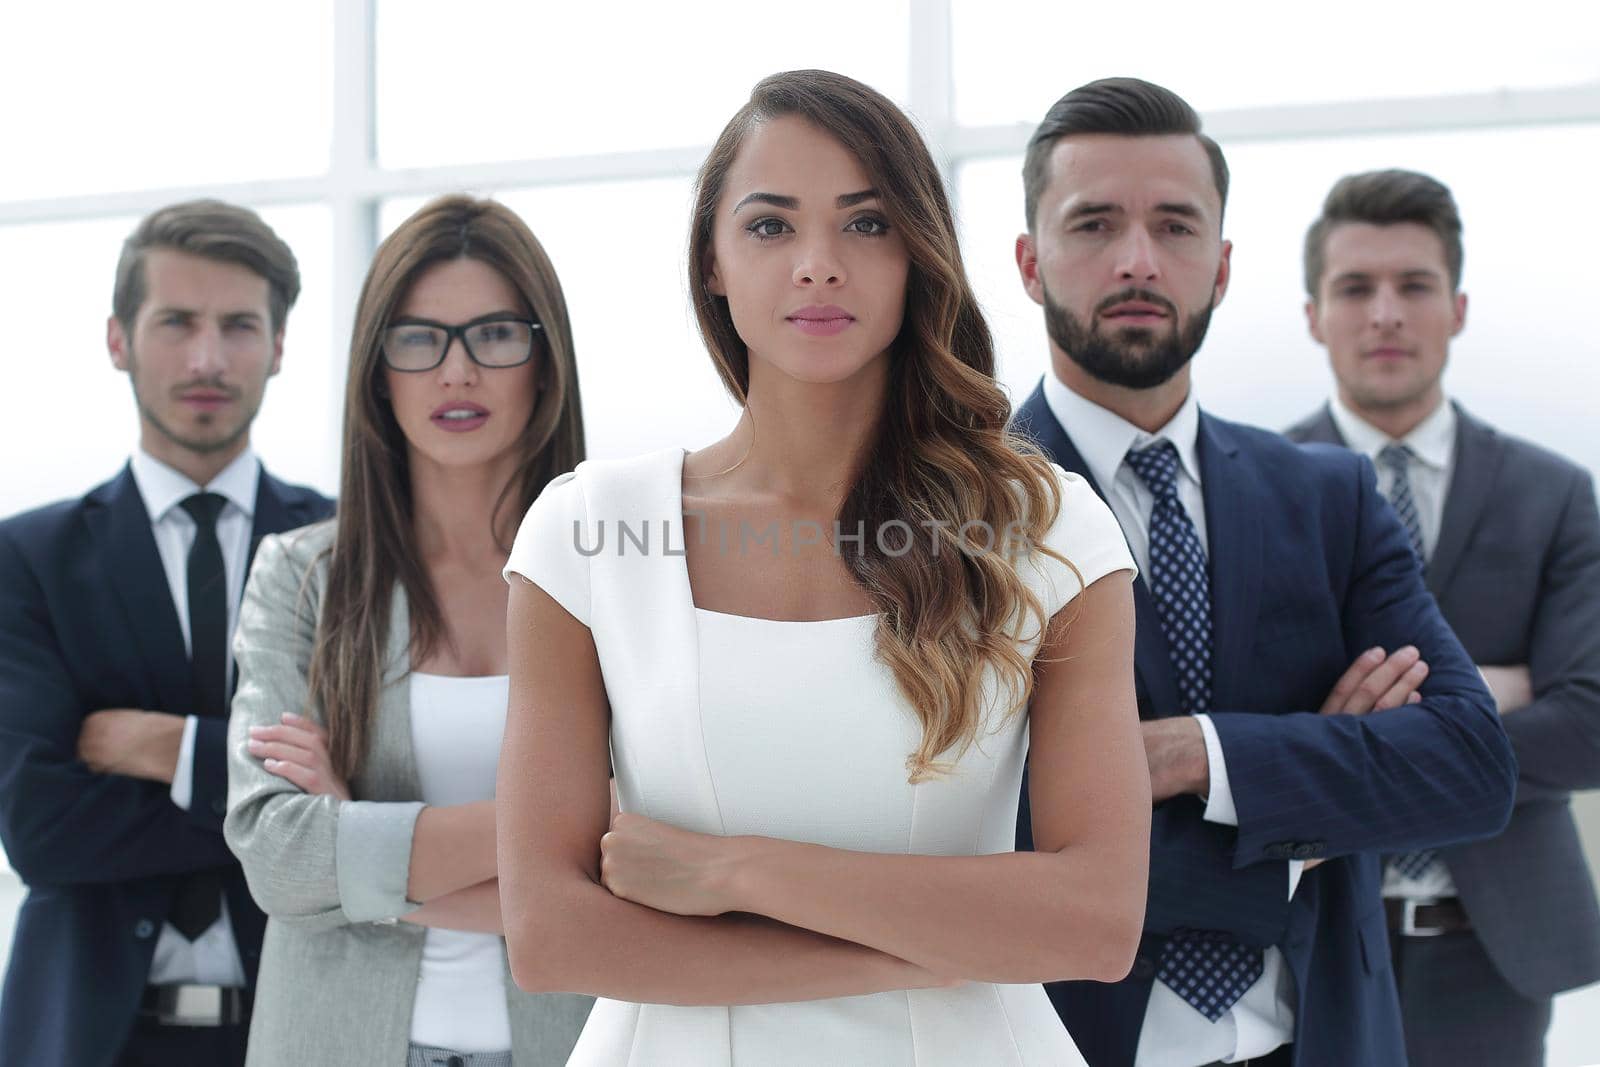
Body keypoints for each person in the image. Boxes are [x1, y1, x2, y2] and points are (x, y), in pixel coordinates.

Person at [495, 69, 1151, 1066]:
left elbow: (1094, 921)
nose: (816, 265)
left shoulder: (1047, 530)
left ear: (916, 256)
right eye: (768, 226)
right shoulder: (588, 531)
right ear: (710, 262)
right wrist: (934, 948)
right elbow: (552, 936)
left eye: (866, 224)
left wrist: (735, 870)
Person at [1007, 79, 1518, 1067]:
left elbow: (1469, 764)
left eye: (1175, 224)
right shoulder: (958, 516)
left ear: (1223, 263)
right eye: (1094, 223)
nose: (1138, 259)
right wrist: (1307, 822)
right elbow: (983, 837)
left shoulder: (1328, 495)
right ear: (1030, 263)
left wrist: (1198, 752)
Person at [223, 196, 592, 1066]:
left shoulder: (611, 575)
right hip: (333, 1041)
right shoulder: (304, 575)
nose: (455, 371)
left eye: (495, 334)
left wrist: (362, 843)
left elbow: (650, 864)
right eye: (419, 338)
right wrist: (546, 838)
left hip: (575, 1042)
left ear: (545, 361)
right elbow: (280, 857)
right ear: (377, 371)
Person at [0, 200, 331, 1066]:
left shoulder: (349, 549)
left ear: (281, 346)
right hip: (85, 1036)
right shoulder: (27, 558)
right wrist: (286, 805)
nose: (208, 358)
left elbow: (367, 785)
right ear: (118, 339)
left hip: (300, 1027)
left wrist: (174, 750)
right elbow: (40, 826)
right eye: (176, 322)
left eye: (239, 326)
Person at [1286, 168, 1600, 1067]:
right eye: (1355, 288)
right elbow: (1247, 715)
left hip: (1493, 951)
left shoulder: (1554, 492)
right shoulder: (1256, 488)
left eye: (1414, 285)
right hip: (1308, 939)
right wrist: (1482, 699)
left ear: (1457, 307)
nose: (1385, 312)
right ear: (1315, 315)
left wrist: (1353, 733)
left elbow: (1590, 723)